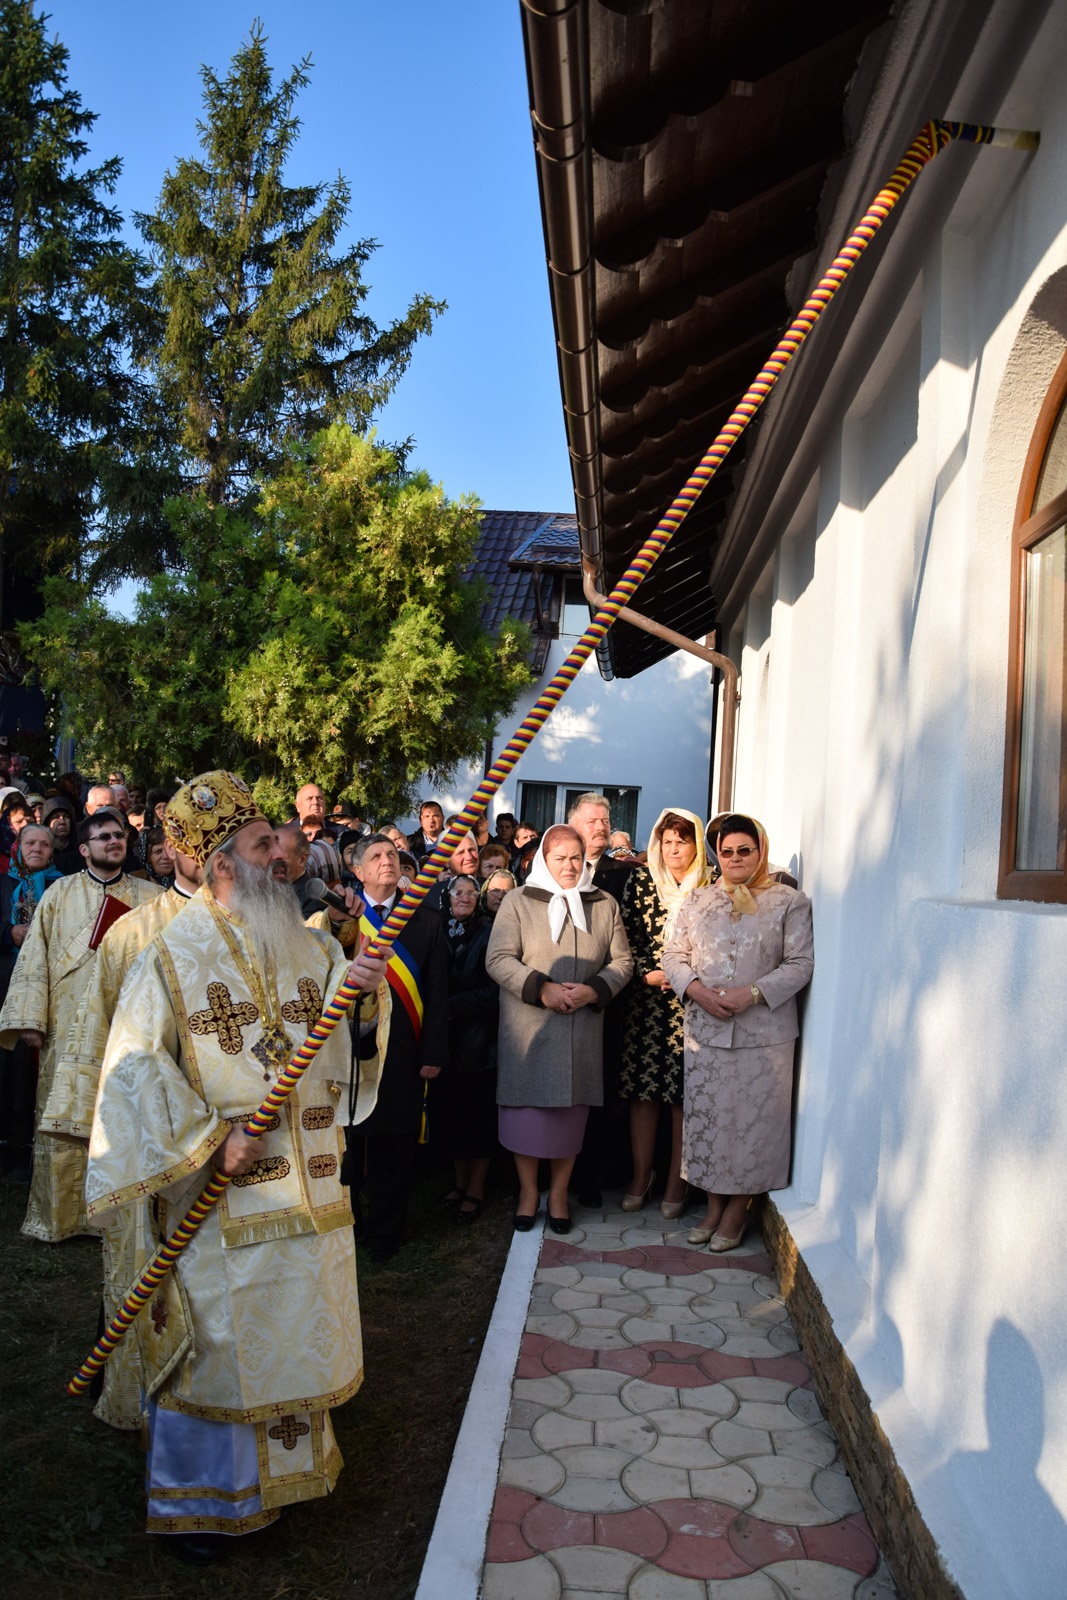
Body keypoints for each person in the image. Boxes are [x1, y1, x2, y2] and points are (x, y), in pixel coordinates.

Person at [85, 772, 389, 1562]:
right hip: (220, 1201)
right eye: (263, 847)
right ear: (224, 863)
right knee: (223, 1345)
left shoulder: (308, 940)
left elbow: (341, 1040)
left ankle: (283, 1485)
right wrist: (208, 1140)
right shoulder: (171, 957)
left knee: (291, 1329)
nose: (281, 858)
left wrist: (360, 994)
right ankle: (207, 1507)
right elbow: (132, 1070)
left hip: (308, 1187)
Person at [45, 805, 207, 1433]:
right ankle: (138, 1385)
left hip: (227, 1134)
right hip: (151, 1127)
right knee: (140, 1263)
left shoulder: (251, 928)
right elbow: (104, 1032)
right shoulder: (135, 930)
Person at [0, 809, 163, 1241]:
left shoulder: (151, 898)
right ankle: (62, 1218)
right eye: (104, 836)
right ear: (85, 848)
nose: (114, 841)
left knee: (124, 1113)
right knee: (64, 1118)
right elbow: (35, 957)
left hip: (130, 1025)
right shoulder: (58, 894)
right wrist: (31, 1019)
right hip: (67, 1028)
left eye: (120, 836)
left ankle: (122, 1215)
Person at [663, 814, 814, 1252]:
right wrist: (697, 991)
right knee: (710, 1121)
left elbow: (800, 964)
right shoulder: (698, 900)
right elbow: (674, 954)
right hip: (705, 1029)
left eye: (744, 851)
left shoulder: (789, 901)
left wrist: (751, 994)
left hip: (764, 1035)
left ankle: (738, 1207)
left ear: (760, 852)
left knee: (752, 1122)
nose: (734, 859)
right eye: (726, 852)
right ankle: (712, 1205)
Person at [486, 824, 633, 1234]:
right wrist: (542, 988)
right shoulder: (518, 900)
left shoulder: (603, 903)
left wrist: (594, 990)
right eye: (559, 858)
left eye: (575, 857)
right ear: (542, 860)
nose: (569, 866)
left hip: (580, 1029)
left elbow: (623, 962)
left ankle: (561, 1193)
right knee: (526, 1118)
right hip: (528, 1029)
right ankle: (530, 1192)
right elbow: (497, 959)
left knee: (569, 1120)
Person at [341, 832, 448, 1264]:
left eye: (393, 854)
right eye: (376, 856)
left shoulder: (425, 921)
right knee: (345, 1149)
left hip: (403, 1051)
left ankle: (384, 1237)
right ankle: (346, 1230)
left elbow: (439, 993)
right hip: (345, 1051)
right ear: (358, 870)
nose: (387, 861)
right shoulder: (338, 919)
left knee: (393, 1151)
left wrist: (433, 1053)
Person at [618, 809, 712, 1218]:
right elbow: (624, 938)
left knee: (682, 1096)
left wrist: (690, 977)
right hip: (647, 1003)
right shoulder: (640, 881)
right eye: (668, 841)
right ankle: (642, 1175)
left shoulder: (711, 887)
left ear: (696, 846)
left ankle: (678, 1179)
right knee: (643, 1093)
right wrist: (647, 972)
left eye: (683, 841)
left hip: (692, 1004)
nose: (674, 850)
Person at [436, 874, 499, 1223]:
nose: (464, 898)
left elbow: (494, 991)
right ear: (447, 897)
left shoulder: (490, 932)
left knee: (478, 1120)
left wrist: (449, 1007)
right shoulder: (438, 929)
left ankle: (476, 1189)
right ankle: (459, 1183)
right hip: (444, 1043)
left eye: (471, 893)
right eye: (458, 892)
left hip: (479, 1042)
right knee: (453, 1117)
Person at [0, 827, 62, 1179]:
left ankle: (29, 1144)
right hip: (4, 983)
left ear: (53, 851)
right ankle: (5, 1141)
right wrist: (8, 933)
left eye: (44, 844)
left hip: (50, 987)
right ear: (18, 847)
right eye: (30, 843)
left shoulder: (64, 885)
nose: (37, 849)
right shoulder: (3, 883)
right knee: (6, 1062)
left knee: (34, 1065)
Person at [42, 795, 81, 874]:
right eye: (55, 817)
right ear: (47, 822)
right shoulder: (42, 850)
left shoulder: (81, 849)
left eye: (66, 817)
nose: (62, 822)